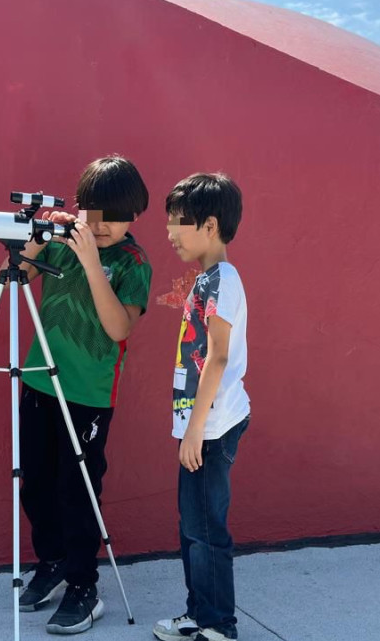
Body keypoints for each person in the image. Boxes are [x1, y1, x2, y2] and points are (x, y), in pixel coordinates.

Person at [13, 155, 152, 635]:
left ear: (135, 214)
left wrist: (92, 261)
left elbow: (117, 329)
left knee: (78, 493)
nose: (103, 225)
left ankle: (83, 586)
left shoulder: (132, 262)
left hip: (88, 395)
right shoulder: (63, 242)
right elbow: (14, 275)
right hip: (37, 381)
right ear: (79, 208)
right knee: (34, 483)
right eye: (94, 214)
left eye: (116, 216)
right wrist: (37, 236)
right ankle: (50, 562)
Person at [154, 173, 250, 641]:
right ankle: (198, 614)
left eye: (177, 222)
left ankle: (220, 625)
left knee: (208, 529)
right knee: (192, 529)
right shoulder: (206, 279)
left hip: (212, 427)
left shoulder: (223, 279)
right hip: (198, 425)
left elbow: (219, 355)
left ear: (209, 225)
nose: (169, 232)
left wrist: (195, 429)